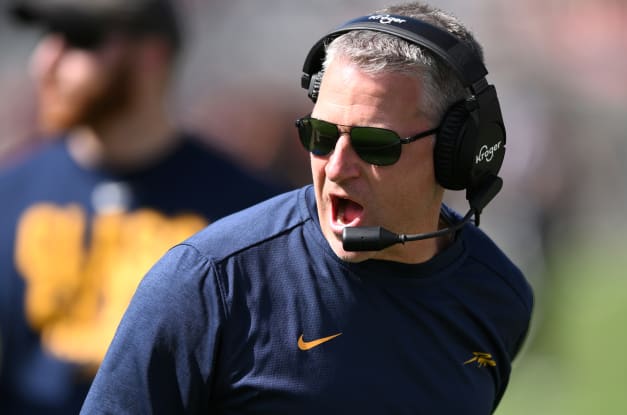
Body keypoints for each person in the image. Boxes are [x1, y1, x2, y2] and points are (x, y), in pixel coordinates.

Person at [81, 2, 534, 413]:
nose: (336, 167)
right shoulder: (208, 283)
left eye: (374, 145)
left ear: (456, 152)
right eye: (319, 136)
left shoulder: (497, 297)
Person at [0, 0, 285, 413]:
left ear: (151, 55)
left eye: (78, 41)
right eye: (47, 39)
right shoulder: (11, 189)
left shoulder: (249, 212)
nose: (45, 63)